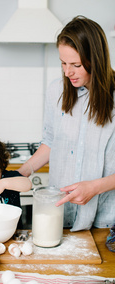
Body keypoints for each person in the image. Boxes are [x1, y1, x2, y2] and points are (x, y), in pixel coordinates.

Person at [18, 16, 115, 232]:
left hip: (106, 220)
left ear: (96, 60)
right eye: (63, 63)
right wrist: (20, 173)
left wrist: (94, 187)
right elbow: (51, 141)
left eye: (76, 65)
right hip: (61, 212)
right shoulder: (56, 92)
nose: (67, 72)